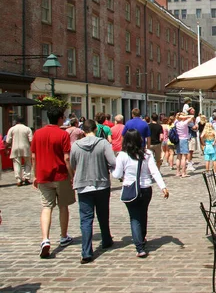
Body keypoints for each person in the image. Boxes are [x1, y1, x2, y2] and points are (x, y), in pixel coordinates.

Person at [112, 130, 169, 258]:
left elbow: (117, 175)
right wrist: (163, 187)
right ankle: (142, 238)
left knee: (134, 217)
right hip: (146, 188)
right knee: (143, 214)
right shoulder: (147, 154)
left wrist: (111, 169)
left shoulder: (122, 155)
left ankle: (139, 246)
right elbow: (154, 171)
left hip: (130, 188)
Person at [30, 107, 75, 258]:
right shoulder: (62, 134)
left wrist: (34, 175)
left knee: (46, 207)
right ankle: (63, 236)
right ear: (61, 118)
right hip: (60, 175)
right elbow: (66, 158)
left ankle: (45, 239)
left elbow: (34, 157)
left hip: (43, 175)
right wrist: (72, 176)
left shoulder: (38, 133)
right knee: (63, 206)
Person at [70, 119, 116, 263]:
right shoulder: (103, 143)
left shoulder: (76, 145)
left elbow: (72, 163)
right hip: (101, 183)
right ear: (95, 129)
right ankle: (106, 239)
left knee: (86, 219)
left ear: (83, 130)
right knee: (103, 214)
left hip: (83, 185)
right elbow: (113, 162)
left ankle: (86, 251)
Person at [6, 116, 33, 186]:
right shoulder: (27, 129)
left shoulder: (12, 129)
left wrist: (6, 148)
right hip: (25, 147)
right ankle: (26, 177)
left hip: (15, 147)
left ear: (16, 121)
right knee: (28, 163)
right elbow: (31, 140)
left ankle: (18, 179)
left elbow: (8, 140)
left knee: (17, 163)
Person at [174, 112, 195, 177]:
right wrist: (186, 116)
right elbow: (192, 116)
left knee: (178, 157)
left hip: (178, 139)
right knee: (184, 157)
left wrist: (179, 116)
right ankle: (183, 172)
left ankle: (177, 172)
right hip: (184, 139)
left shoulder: (176, 122)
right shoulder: (184, 123)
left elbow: (176, 117)